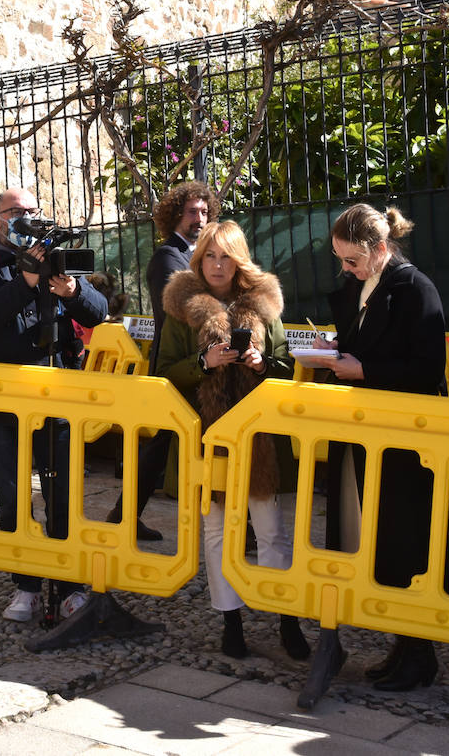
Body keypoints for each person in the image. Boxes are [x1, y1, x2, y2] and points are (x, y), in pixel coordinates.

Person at [298, 203, 449, 710]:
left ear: (379, 249)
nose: (344, 270)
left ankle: (420, 654)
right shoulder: (363, 285)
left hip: (409, 441)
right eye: (340, 260)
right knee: (383, 544)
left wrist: (363, 368)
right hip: (370, 434)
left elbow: (426, 369)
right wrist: (333, 352)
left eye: (351, 260)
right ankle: (404, 646)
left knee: (410, 544)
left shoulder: (415, 288)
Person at [154, 220, 310, 662]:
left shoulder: (262, 303)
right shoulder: (181, 305)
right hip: (206, 437)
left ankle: (287, 620)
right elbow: (163, 370)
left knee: (272, 531)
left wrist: (261, 363)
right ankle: (231, 622)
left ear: (240, 259)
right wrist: (203, 362)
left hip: (258, 438)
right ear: (199, 258)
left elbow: (284, 369)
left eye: (226, 256)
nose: (217, 265)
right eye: (209, 256)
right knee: (218, 530)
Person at [0, 187, 108, 622]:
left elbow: (98, 314)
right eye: (16, 212)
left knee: (61, 492)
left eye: (32, 210)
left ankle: (70, 585)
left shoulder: (57, 258)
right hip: (2, 403)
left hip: (57, 396)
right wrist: (25, 282)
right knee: (11, 493)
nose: (26, 217)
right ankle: (25, 586)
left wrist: (72, 290)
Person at [109, 181, 220, 541]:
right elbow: (176, 312)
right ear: (174, 215)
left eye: (204, 212)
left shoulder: (201, 254)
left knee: (167, 443)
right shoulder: (167, 258)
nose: (199, 219)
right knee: (170, 442)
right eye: (192, 212)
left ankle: (123, 514)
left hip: (204, 360)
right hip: (179, 363)